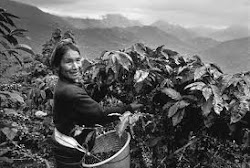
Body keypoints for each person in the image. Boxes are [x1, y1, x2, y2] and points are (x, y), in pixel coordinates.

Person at [50, 39, 143, 168]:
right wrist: (129, 108)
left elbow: (85, 103)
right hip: (68, 150)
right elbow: (99, 115)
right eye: (68, 62)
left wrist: (103, 88)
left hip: (66, 141)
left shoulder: (67, 83)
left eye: (77, 60)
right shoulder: (69, 91)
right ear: (57, 65)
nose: (76, 66)